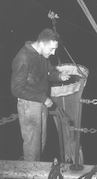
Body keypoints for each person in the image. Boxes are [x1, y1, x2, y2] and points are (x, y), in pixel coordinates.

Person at [11, 28, 70, 161]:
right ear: (42, 44)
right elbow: (16, 89)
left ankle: (35, 166)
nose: (53, 53)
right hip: (29, 105)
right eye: (52, 49)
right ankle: (31, 172)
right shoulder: (23, 58)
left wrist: (60, 76)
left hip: (42, 102)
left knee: (41, 139)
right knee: (32, 143)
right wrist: (43, 98)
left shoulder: (42, 55)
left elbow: (49, 72)